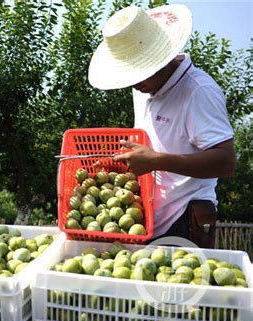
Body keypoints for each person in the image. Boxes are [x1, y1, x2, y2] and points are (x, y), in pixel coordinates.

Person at [88, 5, 235, 248]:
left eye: (139, 73)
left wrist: (156, 160)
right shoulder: (146, 87)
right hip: (147, 214)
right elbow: (155, 142)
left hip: (186, 219)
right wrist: (126, 159)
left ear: (161, 58)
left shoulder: (198, 92)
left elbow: (226, 161)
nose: (134, 85)